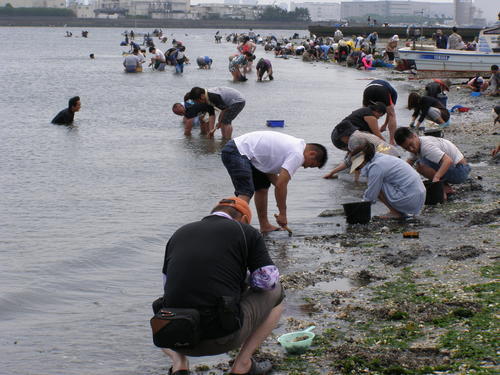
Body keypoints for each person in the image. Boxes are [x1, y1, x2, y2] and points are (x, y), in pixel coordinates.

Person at [154, 197, 284, 375]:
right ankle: (243, 364)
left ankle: (179, 363)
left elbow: (167, 284)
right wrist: (244, 279)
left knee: (162, 308)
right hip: (222, 338)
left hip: (175, 337)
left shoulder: (179, 233)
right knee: (278, 292)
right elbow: (268, 281)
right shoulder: (245, 231)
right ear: (244, 219)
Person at [221, 131, 327, 232]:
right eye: (311, 165)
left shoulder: (296, 146)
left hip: (248, 154)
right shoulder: (298, 154)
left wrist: (281, 195)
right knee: (245, 191)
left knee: (262, 187)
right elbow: (281, 185)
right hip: (237, 151)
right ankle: (234, 229)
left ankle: (264, 226)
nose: (306, 167)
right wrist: (282, 214)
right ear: (312, 154)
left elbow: (275, 179)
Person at [349, 143, 426, 219]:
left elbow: (371, 195)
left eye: (358, 167)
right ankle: (398, 212)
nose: (359, 169)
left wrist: (359, 209)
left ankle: (395, 213)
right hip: (418, 196)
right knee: (376, 182)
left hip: (410, 199)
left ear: (363, 161)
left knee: (375, 185)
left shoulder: (376, 166)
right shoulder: (381, 157)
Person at [395, 127, 471, 199]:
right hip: (458, 168)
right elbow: (409, 163)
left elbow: (448, 161)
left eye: (411, 145)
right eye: (406, 148)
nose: (411, 149)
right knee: (419, 162)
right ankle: (445, 187)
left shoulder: (426, 147)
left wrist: (436, 179)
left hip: (460, 171)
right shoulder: (418, 143)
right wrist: (396, 178)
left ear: (414, 136)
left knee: (420, 165)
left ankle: (443, 188)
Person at [324, 120, 399, 179]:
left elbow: (354, 162)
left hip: (387, 161)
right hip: (394, 155)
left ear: (344, 137)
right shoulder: (359, 134)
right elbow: (351, 160)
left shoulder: (353, 140)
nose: (342, 141)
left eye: (341, 139)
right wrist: (333, 172)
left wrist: (356, 182)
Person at [362, 79, 398, 145]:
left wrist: (384, 125)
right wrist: (384, 125)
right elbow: (390, 114)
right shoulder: (394, 94)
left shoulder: (391, 91)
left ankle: (366, 138)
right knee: (392, 114)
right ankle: (392, 141)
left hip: (368, 89)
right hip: (382, 90)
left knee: (365, 113)